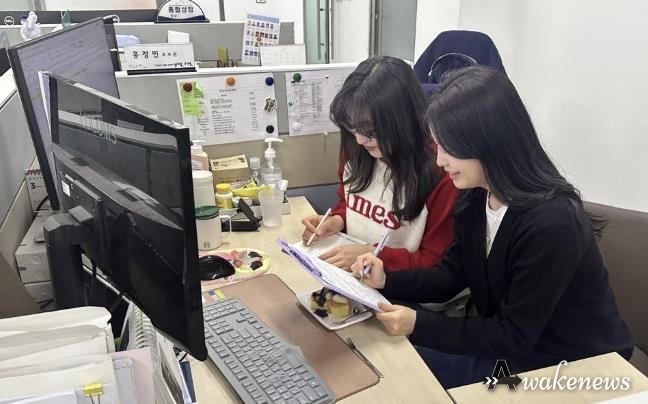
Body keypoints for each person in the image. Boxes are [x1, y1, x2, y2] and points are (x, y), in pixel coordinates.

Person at [350, 65, 634, 388]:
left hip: (579, 365)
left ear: (487, 142)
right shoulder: (476, 194)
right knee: (387, 355)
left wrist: (419, 324)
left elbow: (514, 335)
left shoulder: (552, 223)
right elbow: (450, 274)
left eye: (448, 148)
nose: (440, 161)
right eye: (437, 146)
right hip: (515, 343)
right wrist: (386, 279)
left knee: (406, 375)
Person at [301, 56, 457, 271]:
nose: (359, 139)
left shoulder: (443, 172)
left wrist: (374, 255)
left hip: (400, 286)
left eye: (370, 130)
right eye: (352, 127)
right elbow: (351, 201)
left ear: (402, 121)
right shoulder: (358, 149)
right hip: (354, 276)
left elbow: (437, 264)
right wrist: (337, 220)